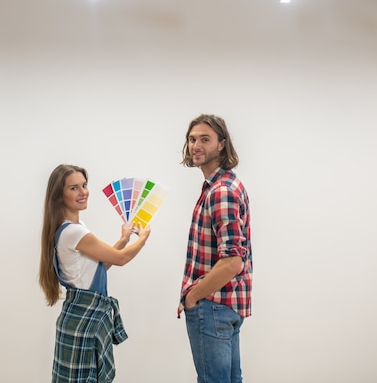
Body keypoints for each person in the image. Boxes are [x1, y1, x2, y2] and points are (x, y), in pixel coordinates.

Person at [38, 163, 151, 383]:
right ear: (59, 195)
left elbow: (98, 267)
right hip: (84, 320)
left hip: (80, 317)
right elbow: (120, 259)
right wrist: (143, 238)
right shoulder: (74, 231)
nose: (83, 192)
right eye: (74, 188)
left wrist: (124, 239)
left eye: (84, 185)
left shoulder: (73, 227)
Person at [177, 114, 252, 383]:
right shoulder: (224, 185)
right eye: (192, 139)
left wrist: (193, 296)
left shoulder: (221, 191)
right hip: (224, 306)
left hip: (213, 306)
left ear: (221, 144)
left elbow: (233, 261)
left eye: (204, 139)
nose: (196, 145)